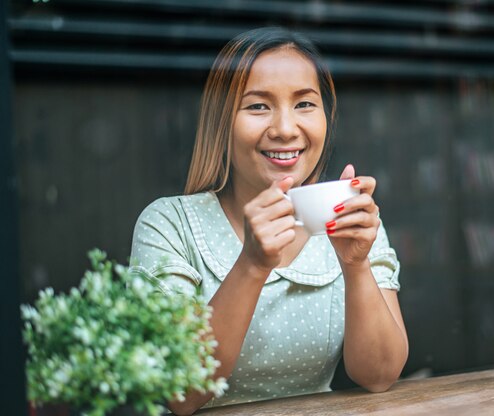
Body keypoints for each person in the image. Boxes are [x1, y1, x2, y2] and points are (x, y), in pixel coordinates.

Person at [130, 27, 408, 415]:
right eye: (258, 106)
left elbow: (379, 375)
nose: (284, 129)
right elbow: (180, 394)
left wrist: (355, 264)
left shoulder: (350, 217)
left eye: (304, 104)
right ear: (222, 122)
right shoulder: (169, 224)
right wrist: (253, 264)